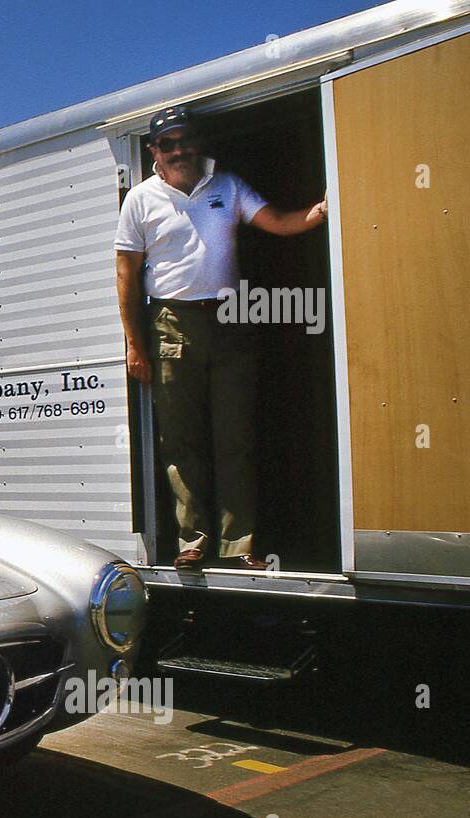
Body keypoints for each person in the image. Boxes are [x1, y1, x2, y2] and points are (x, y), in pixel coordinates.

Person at [114, 105, 327, 570]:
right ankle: (193, 540)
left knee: (235, 437)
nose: (178, 150)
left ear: (197, 142)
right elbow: (127, 274)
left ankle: (241, 544)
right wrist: (134, 343)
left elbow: (278, 222)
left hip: (230, 318)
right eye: (167, 143)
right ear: (154, 151)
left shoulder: (226, 187)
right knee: (181, 440)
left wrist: (319, 212)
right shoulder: (141, 200)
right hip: (171, 323)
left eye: (185, 139)